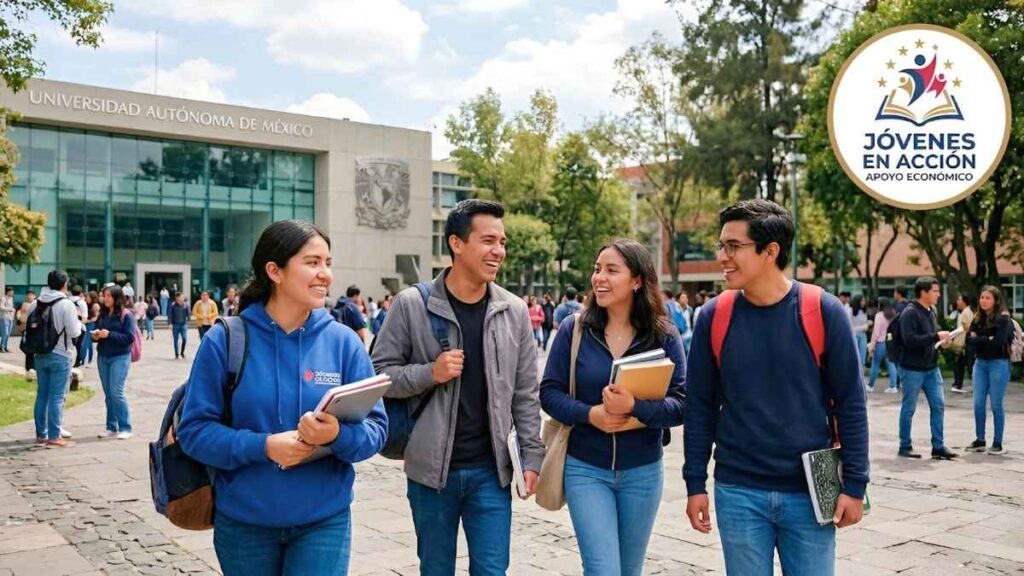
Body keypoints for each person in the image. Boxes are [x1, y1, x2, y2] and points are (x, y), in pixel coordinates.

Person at [178, 220, 386, 575]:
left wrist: (337, 435)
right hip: (244, 523)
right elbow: (194, 432)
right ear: (274, 271)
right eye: (312, 262)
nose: (326, 275)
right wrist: (265, 446)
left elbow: (377, 430)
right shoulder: (225, 340)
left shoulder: (344, 343)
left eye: (328, 263)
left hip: (324, 521)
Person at [684, 200, 868, 576]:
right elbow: (700, 406)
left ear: (771, 251)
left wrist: (855, 484)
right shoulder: (714, 316)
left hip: (810, 492)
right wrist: (694, 482)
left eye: (733, 246)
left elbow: (851, 403)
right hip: (738, 490)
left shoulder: (823, 310)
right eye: (722, 245)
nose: (723, 256)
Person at [371, 199, 545, 576]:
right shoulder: (412, 305)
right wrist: (428, 373)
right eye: (487, 240)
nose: (498, 250)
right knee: (435, 570)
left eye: (502, 241)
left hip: (492, 473)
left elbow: (526, 393)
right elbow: (379, 375)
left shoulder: (513, 310)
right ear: (456, 244)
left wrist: (531, 457)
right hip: (432, 473)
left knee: (492, 570)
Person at [540, 239, 685, 576]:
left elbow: (682, 404)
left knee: (629, 570)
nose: (599, 278)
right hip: (585, 468)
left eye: (611, 270)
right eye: (597, 269)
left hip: (644, 472)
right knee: (603, 569)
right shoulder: (573, 329)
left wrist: (635, 406)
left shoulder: (663, 334)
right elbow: (548, 393)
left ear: (637, 280)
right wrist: (592, 415)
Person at [897, 277, 957, 460]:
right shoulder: (910, 312)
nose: (939, 294)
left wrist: (942, 341)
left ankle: (938, 446)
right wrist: (935, 336)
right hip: (912, 369)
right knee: (909, 408)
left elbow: (932, 336)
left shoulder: (931, 311)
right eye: (935, 291)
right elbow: (910, 340)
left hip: (931, 368)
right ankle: (905, 446)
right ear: (923, 293)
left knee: (938, 405)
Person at [26, 271, 82, 447]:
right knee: (57, 396)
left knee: (42, 395)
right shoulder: (66, 304)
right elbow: (74, 332)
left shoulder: (35, 303)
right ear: (64, 284)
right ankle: (54, 436)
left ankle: (41, 434)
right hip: (60, 355)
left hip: (40, 354)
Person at [965, 286, 1013, 455]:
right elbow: (968, 340)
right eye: (982, 297)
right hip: (980, 364)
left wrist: (978, 338)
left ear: (995, 300)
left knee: (996, 405)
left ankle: (997, 442)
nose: (983, 300)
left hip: (998, 363)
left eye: (988, 298)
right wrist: (986, 338)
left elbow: (998, 342)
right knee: (978, 403)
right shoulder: (977, 317)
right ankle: (980, 439)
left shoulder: (1003, 319)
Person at [92, 284, 136, 440]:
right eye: (105, 295)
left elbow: (129, 338)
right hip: (103, 356)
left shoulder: (126, 315)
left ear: (117, 297)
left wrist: (109, 334)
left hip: (120, 356)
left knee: (116, 392)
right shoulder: (103, 314)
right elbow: (97, 332)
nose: (106, 298)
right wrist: (95, 336)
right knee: (108, 394)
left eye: (109, 296)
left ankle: (126, 427)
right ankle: (111, 426)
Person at [866, 297, 899, 394]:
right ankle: (893, 386)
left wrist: (872, 344)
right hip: (890, 341)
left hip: (881, 342)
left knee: (875, 364)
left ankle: (871, 385)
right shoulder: (893, 314)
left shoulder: (879, 315)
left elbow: (876, 332)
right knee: (891, 364)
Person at [950, 294, 975, 394]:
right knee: (961, 364)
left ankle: (959, 383)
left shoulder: (966, 313)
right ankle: (958, 383)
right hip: (963, 343)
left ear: (964, 301)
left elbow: (967, 330)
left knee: (968, 365)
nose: (957, 302)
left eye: (959, 299)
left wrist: (963, 343)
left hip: (965, 344)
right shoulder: (963, 312)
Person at [18, 290, 37, 380]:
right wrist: (19, 319)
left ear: (34, 296)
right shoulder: (24, 304)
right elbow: (20, 312)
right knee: (23, 346)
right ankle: (29, 366)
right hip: (25, 328)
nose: (29, 297)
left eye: (31, 295)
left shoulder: (36, 304)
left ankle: (31, 367)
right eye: (28, 295)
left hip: (33, 329)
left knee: (28, 348)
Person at [69, 286, 88, 369]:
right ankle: (78, 361)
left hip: (67, 326)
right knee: (79, 345)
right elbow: (85, 318)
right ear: (81, 293)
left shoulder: (66, 301)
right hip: (79, 327)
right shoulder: (82, 302)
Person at [850, 295, 869, 370]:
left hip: (863, 335)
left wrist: (867, 324)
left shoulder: (864, 311)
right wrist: (865, 326)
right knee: (855, 357)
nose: (864, 302)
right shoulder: (850, 310)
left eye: (864, 300)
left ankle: (862, 378)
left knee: (862, 358)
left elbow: (864, 323)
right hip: (854, 336)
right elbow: (849, 326)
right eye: (862, 300)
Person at [169, 292, 190, 359]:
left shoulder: (185, 305)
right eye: (181, 297)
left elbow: (188, 313)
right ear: (177, 298)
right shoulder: (173, 305)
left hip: (183, 324)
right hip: (175, 325)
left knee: (184, 338)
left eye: (183, 297)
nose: (182, 298)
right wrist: (169, 323)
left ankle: (182, 352)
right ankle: (176, 354)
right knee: (176, 340)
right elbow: (170, 314)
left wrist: (188, 318)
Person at [0, 287, 14, 352]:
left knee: (8, 334)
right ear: (7, 292)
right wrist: (10, 309)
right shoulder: (3, 298)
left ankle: (5, 347)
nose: (12, 293)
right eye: (11, 292)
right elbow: (1, 307)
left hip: (10, 318)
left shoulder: (11, 298)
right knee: (5, 333)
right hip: (4, 318)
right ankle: (1, 347)